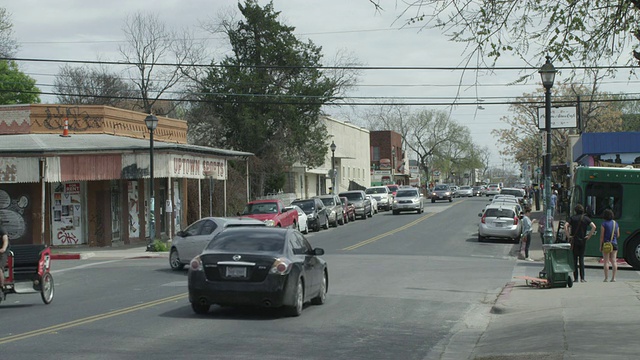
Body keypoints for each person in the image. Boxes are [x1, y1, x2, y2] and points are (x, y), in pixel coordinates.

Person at [565, 204, 596, 283]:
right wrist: (589, 236)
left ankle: (575, 278)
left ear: (575, 211)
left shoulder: (572, 218)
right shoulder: (586, 218)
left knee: (574, 260)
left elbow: (566, 225)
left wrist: (568, 235)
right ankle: (582, 278)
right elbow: (594, 226)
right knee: (581, 259)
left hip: (574, 240)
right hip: (583, 240)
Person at [600, 209, 620, 282]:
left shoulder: (603, 224)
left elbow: (602, 236)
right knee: (614, 260)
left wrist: (600, 246)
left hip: (606, 244)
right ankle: (614, 278)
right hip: (614, 243)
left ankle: (606, 278)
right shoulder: (615, 223)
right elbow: (618, 235)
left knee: (606, 261)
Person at [0, 225, 8, 293]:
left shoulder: (1, 229)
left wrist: (3, 248)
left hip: (2, 253)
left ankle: (2, 285)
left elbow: (5, 240)